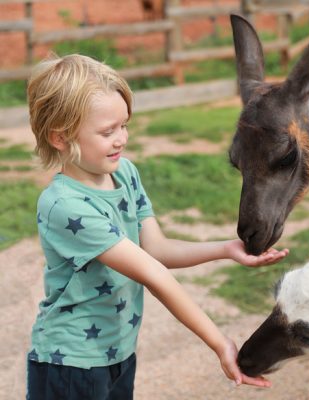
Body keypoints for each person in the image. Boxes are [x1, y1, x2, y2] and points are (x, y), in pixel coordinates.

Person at [25, 53, 288, 400]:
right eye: (107, 132)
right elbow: (154, 273)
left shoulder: (124, 173)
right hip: (71, 364)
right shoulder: (64, 206)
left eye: (124, 125)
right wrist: (218, 341)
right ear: (60, 138)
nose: (121, 139)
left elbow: (157, 250)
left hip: (117, 354)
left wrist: (226, 249)